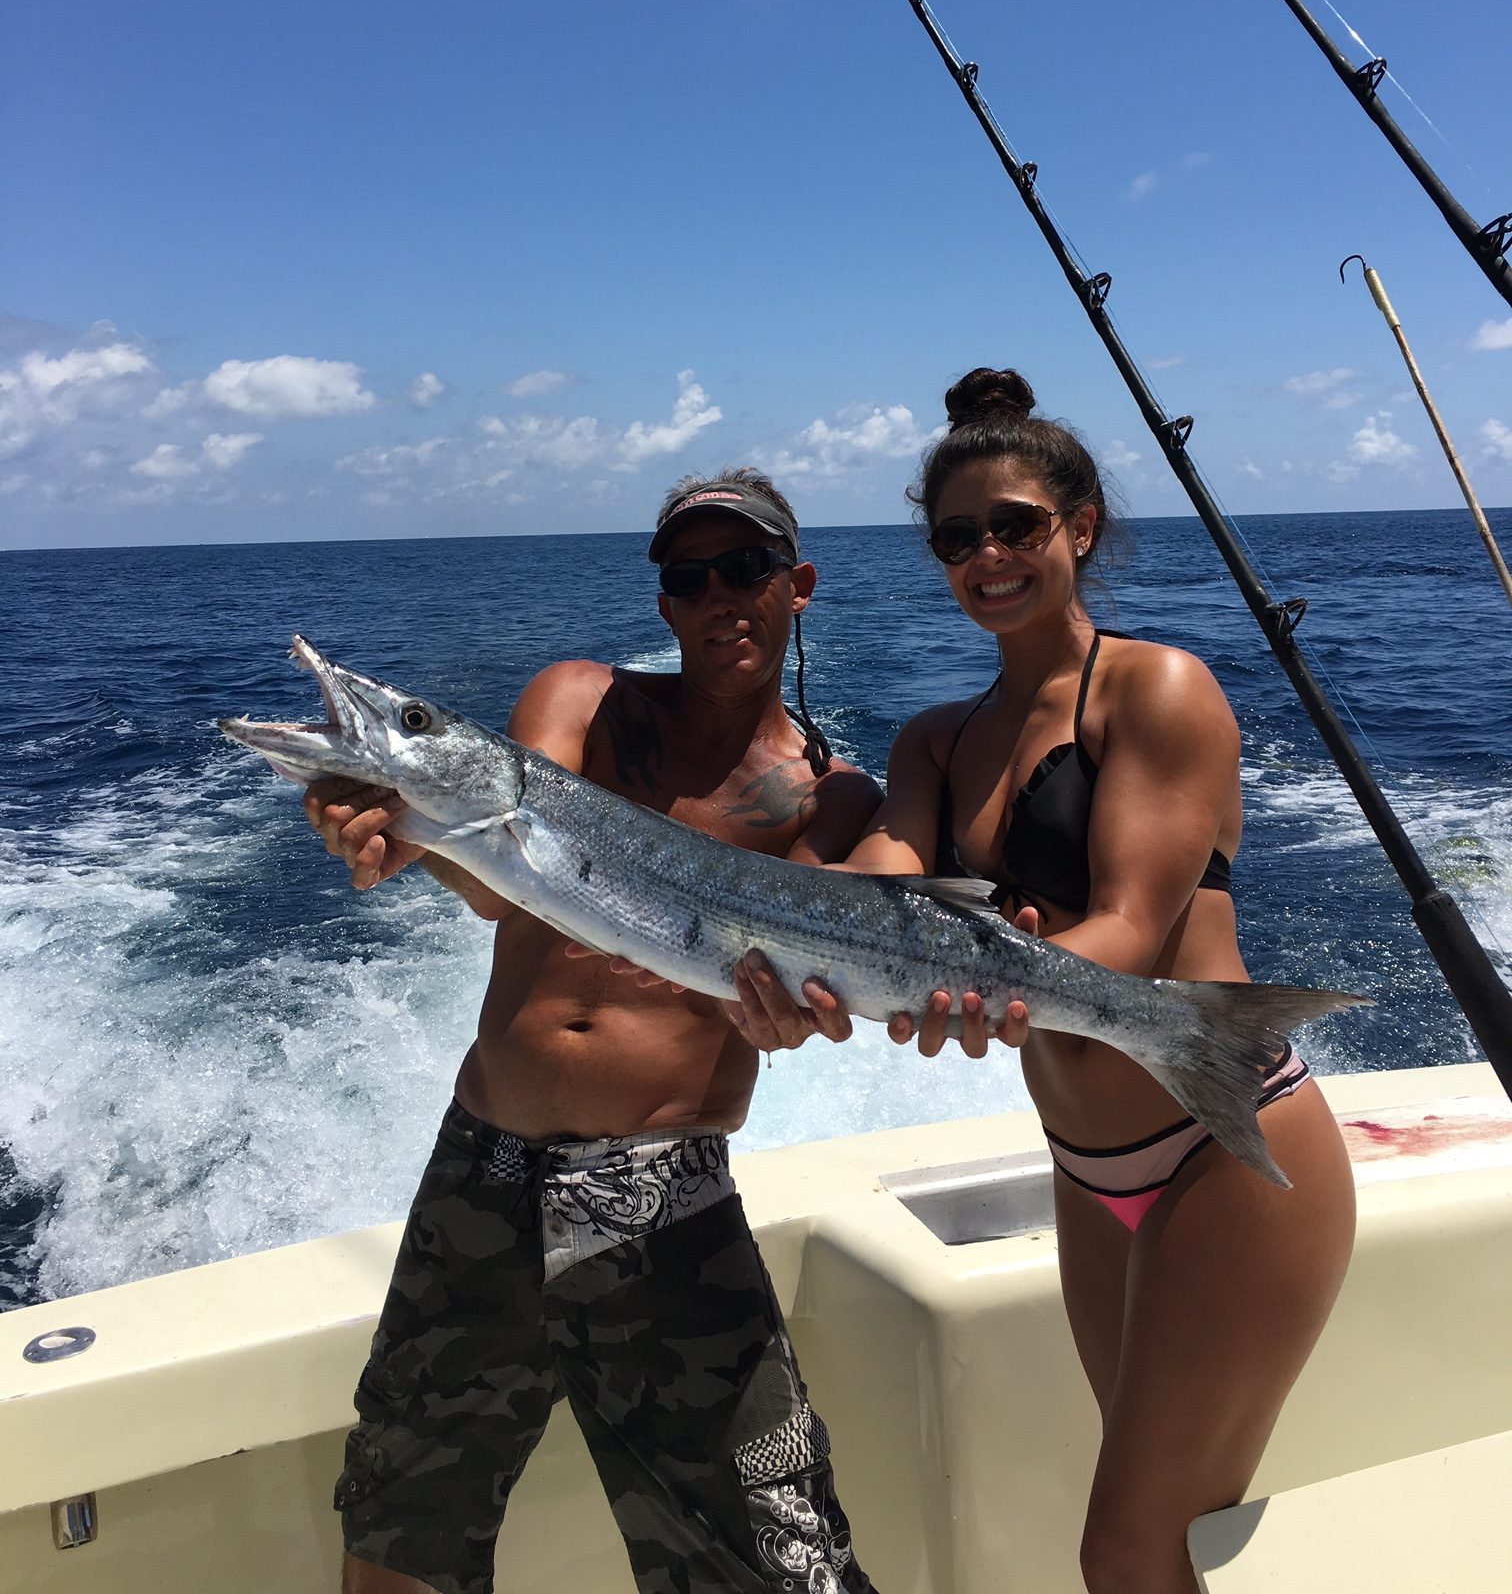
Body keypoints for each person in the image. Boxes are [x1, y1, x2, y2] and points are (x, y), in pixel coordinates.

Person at [726, 370, 1357, 1594]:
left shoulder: (1155, 689)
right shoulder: (933, 741)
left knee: (1125, 1547)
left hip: (1225, 1152)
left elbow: (1127, 928)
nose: (989, 556)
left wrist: (965, 981)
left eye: (1017, 524)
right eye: (958, 538)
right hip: (1088, 1174)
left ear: (1080, 526)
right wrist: (798, 972)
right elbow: (883, 886)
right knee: (1168, 1526)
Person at [304, 468, 882, 1594]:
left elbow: (790, 1002)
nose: (721, 596)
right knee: (397, 1547)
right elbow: (508, 883)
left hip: (666, 1195)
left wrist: (793, 1021)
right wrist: (400, 829)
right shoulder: (577, 700)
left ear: (797, 585)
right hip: (484, 1171)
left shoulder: (838, 799)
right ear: (664, 602)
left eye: (747, 569)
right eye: (689, 576)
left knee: (782, 1570)